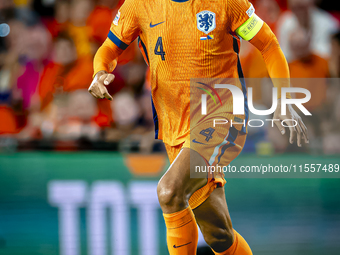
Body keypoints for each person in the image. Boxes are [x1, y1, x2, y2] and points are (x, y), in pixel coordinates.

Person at [88, 0, 309, 254]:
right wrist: (99, 71)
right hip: (176, 127)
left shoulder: (226, 3)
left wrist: (283, 99)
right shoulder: (140, 5)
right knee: (218, 234)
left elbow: (268, 44)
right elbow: (109, 48)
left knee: (169, 191)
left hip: (221, 113)